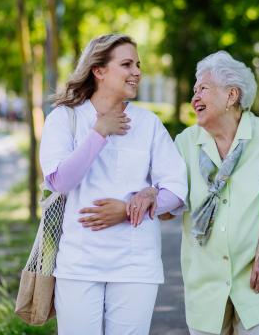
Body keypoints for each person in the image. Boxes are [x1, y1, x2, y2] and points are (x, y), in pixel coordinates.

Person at [155, 51, 259, 335]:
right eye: (194, 90)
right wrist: (149, 196)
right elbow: (167, 209)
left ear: (231, 95)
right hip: (204, 285)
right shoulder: (185, 143)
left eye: (203, 88)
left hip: (257, 282)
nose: (194, 97)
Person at [39, 34, 188, 335]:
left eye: (138, 65)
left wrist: (132, 206)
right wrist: (99, 132)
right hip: (79, 263)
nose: (136, 72)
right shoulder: (64, 119)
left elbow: (176, 188)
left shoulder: (148, 123)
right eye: (126, 64)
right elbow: (59, 181)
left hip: (135, 264)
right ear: (99, 71)